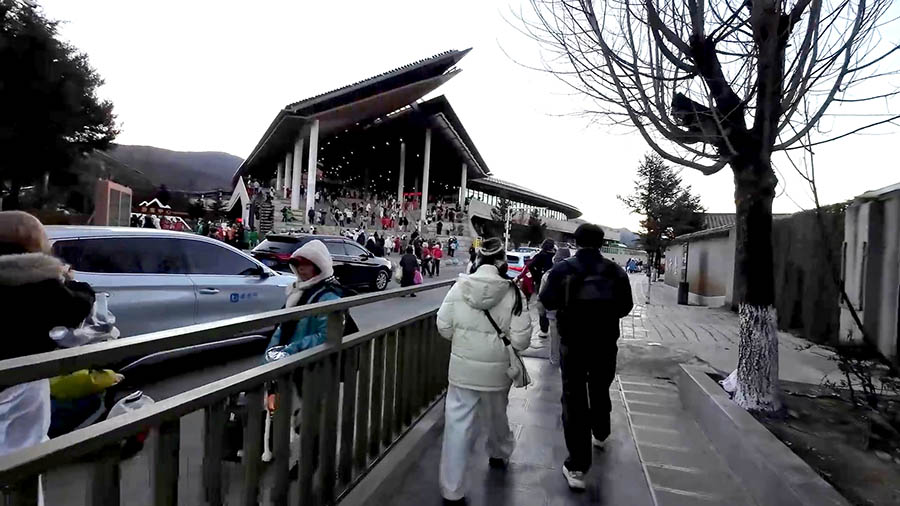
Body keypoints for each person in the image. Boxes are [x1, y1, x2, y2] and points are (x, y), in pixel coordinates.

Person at [435, 237, 532, 505]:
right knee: (496, 413)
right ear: (502, 262)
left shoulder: (459, 288)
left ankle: (452, 488)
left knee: (457, 426)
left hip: (462, 369)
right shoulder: (513, 293)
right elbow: (522, 340)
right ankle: (499, 451)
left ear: (478, 260)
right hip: (497, 371)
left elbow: (443, 326)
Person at [539, 224, 634, 491]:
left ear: (577, 242)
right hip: (605, 342)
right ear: (601, 243)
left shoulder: (563, 269)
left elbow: (548, 301)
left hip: (573, 343)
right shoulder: (615, 271)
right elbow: (625, 306)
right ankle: (601, 432)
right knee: (601, 386)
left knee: (574, 398)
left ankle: (577, 467)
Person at [0, 211, 95, 459]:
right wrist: (68, 280)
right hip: (20, 381)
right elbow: (77, 306)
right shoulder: (39, 284)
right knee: (25, 453)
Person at [265, 240, 345, 357]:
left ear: (319, 267)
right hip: (290, 359)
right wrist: (271, 353)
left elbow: (326, 337)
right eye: (297, 264)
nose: (300, 269)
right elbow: (281, 329)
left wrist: (291, 350)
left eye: (306, 264)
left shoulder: (329, 297)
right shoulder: (297, 291)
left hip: (310, 362)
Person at [542, 247, 571, 366]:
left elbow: (542, 295)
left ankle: (555, 359)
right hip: (569, 312)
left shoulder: (549, 274)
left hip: (552, 312)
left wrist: (542, 310)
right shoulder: (575, 273)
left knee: (555, 338)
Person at [527, 239, 556, 338]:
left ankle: (544, 330)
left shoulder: (540, 255)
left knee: (542, 304)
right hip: (554, 283)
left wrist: (536, 276)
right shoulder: (555, 256)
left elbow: (530, 266)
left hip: (541, 282)